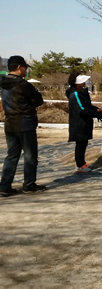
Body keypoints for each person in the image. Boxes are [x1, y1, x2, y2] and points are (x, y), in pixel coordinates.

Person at [0, 56, 46, 196]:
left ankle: (4, 186)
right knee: (30, 155)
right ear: (19, 67)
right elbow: (38, 100)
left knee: (12, 156)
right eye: (25, 68)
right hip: (25, 123)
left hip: (10, 124)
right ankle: (29, 185)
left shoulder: (3, 83)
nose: (26, 71)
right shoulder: (23, 85)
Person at [66, 72, 102, 172]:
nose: (84, 83)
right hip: (78, 124)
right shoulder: (75, 94)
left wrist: (97, 110)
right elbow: (82, 110)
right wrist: (96, 114)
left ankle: (82, 162)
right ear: (77, 83)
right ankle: (79, 165)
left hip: (84, 123)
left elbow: (87, 106)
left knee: (83, 144)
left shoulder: (81, 93)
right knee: (80, 145)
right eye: (82, 81)